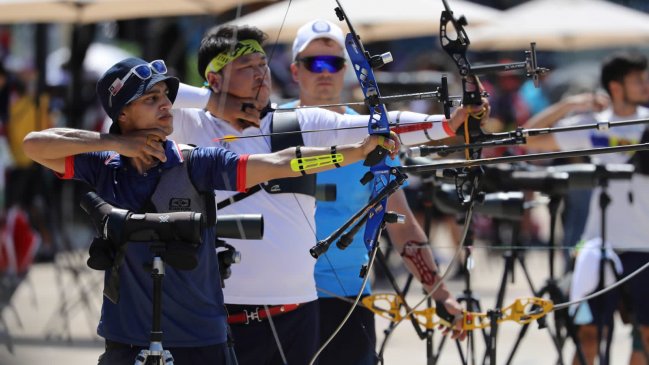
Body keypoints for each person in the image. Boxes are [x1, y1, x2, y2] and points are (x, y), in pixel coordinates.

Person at [22, 57, 397, 365]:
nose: (166, 104)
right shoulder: (104, 166)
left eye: (165, 96)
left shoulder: (196, 162)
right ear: (122, 114)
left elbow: (279, 162)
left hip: (200, 341)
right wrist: (117, 143)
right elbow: (34, 145)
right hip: (127, 339)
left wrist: (356, 152)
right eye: (151, 99)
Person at [169, 24, 486, 365]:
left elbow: (382, 125)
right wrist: (213, 102)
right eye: (246, 67)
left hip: (302, 310)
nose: (261, 74)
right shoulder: (190, 125)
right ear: (214, 79)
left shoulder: (297, 124)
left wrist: (451, 124)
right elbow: (142, 91)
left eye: (263, 64)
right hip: (219, 311)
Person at [281, 19, 466, 364]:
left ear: (347, 71)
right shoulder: (270, 127)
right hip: (279, 297)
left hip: (348, 298)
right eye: (313, 63)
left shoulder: (374, 137)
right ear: (295, 71)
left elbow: (402, 225)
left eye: (335, 62)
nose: (325, 72)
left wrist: (440, 295)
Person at [524, 51, 649, 365]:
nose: (645, 85)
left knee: (647, 337)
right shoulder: (593, 124)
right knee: (588, 335)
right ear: (616, 87)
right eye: (637, 80)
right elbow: (529, 139)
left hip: (644, 244)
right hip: (598, 243)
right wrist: (569, 105)